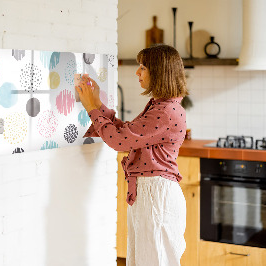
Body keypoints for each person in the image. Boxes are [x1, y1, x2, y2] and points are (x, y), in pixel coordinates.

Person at [76, 44, 188, 266]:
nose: (137, 72)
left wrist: (91, 108)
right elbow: (127, 133)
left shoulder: (165, 111)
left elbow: (119, 141)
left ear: (159, 72)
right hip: (151, 193)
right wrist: (97, 104)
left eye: (143, 67)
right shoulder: (161, 106)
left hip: (156, 195)